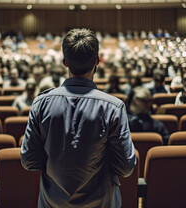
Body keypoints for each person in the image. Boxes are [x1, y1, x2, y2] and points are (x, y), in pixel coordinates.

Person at [21, 28, 136, 207]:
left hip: (53, 202)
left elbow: (29, 160)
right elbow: (126, 168)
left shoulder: (41, 103)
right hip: (102, 202)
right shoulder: (113, 107)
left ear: (65, 62)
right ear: (97, 61)